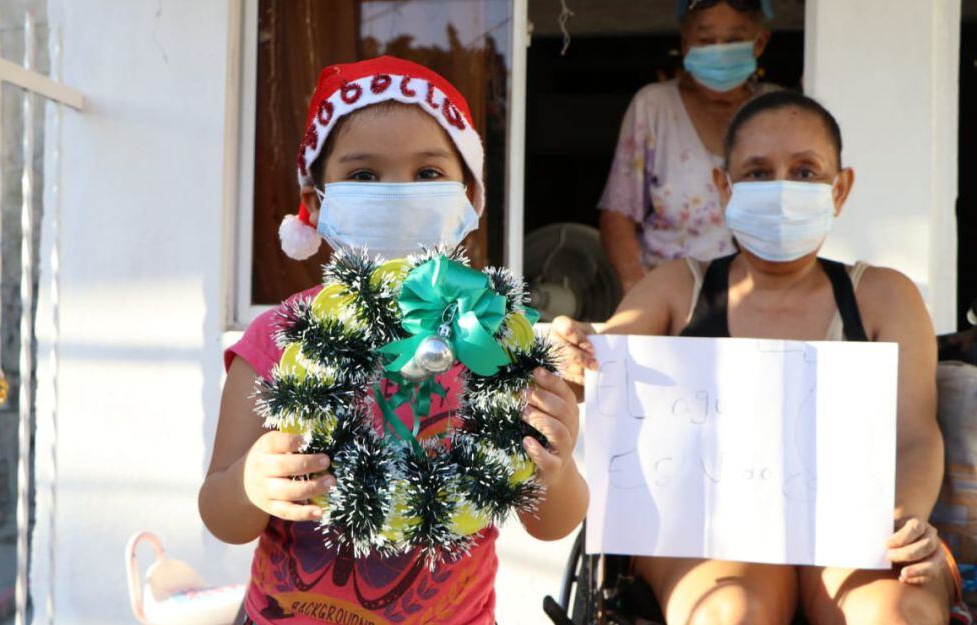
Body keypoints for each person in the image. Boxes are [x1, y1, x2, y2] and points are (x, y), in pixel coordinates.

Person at [198, 56, 588, 625]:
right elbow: (220, 515)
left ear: (469, 199)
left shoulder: (496, 338)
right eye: (364, 176)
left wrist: (559, 467)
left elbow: (550, 523)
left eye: (428, 174)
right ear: (315, 203)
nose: (399, 194)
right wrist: (249, 483)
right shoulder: (280, 339)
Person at [555, 91, 965, 624]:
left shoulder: (884, 296)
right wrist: (582, 352)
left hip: (853, 528)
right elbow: (608, 352)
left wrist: (904, 519)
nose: (781, 189)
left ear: (840, 189)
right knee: (730, 611)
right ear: (723, 187)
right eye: (757, 172)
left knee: (896, 613)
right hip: (704, 532)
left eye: (804, 171)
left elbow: (914, 433)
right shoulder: (676, 289)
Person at [599, 0, 777, 293]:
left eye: (733, 40)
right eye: (706, 40)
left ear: (759, 43)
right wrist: (641, 293)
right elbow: (618, 215)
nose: (719, 50)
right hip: (672, 301)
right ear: (686, 45)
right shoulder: (653, 106)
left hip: (761, 301)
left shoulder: (779, 110)